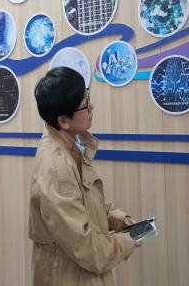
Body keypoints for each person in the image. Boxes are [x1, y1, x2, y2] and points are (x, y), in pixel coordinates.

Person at [29, 67, 140, 286]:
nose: (91, 107)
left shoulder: (70, 143)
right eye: (84, 104)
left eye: (87, 97)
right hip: (70, 277)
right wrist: (125, 243)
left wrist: (117, 219)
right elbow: (86, 247)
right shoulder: (57, 168)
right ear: (64, 121)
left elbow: (85, 200)